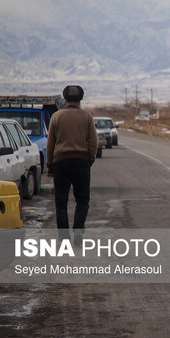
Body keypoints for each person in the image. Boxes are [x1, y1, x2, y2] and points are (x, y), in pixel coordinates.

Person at [47, 85, 98, 246]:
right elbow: (93, 142)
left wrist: (50, 164)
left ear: (65, 98)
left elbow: (50, 143)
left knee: (61, 201)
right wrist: (89, 159)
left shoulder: (56, 116)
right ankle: (78, 230)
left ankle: (63, 237)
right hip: (81, 162)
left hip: (61, 162)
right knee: (82, 199)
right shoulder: (87, 117)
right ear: (80, 99)